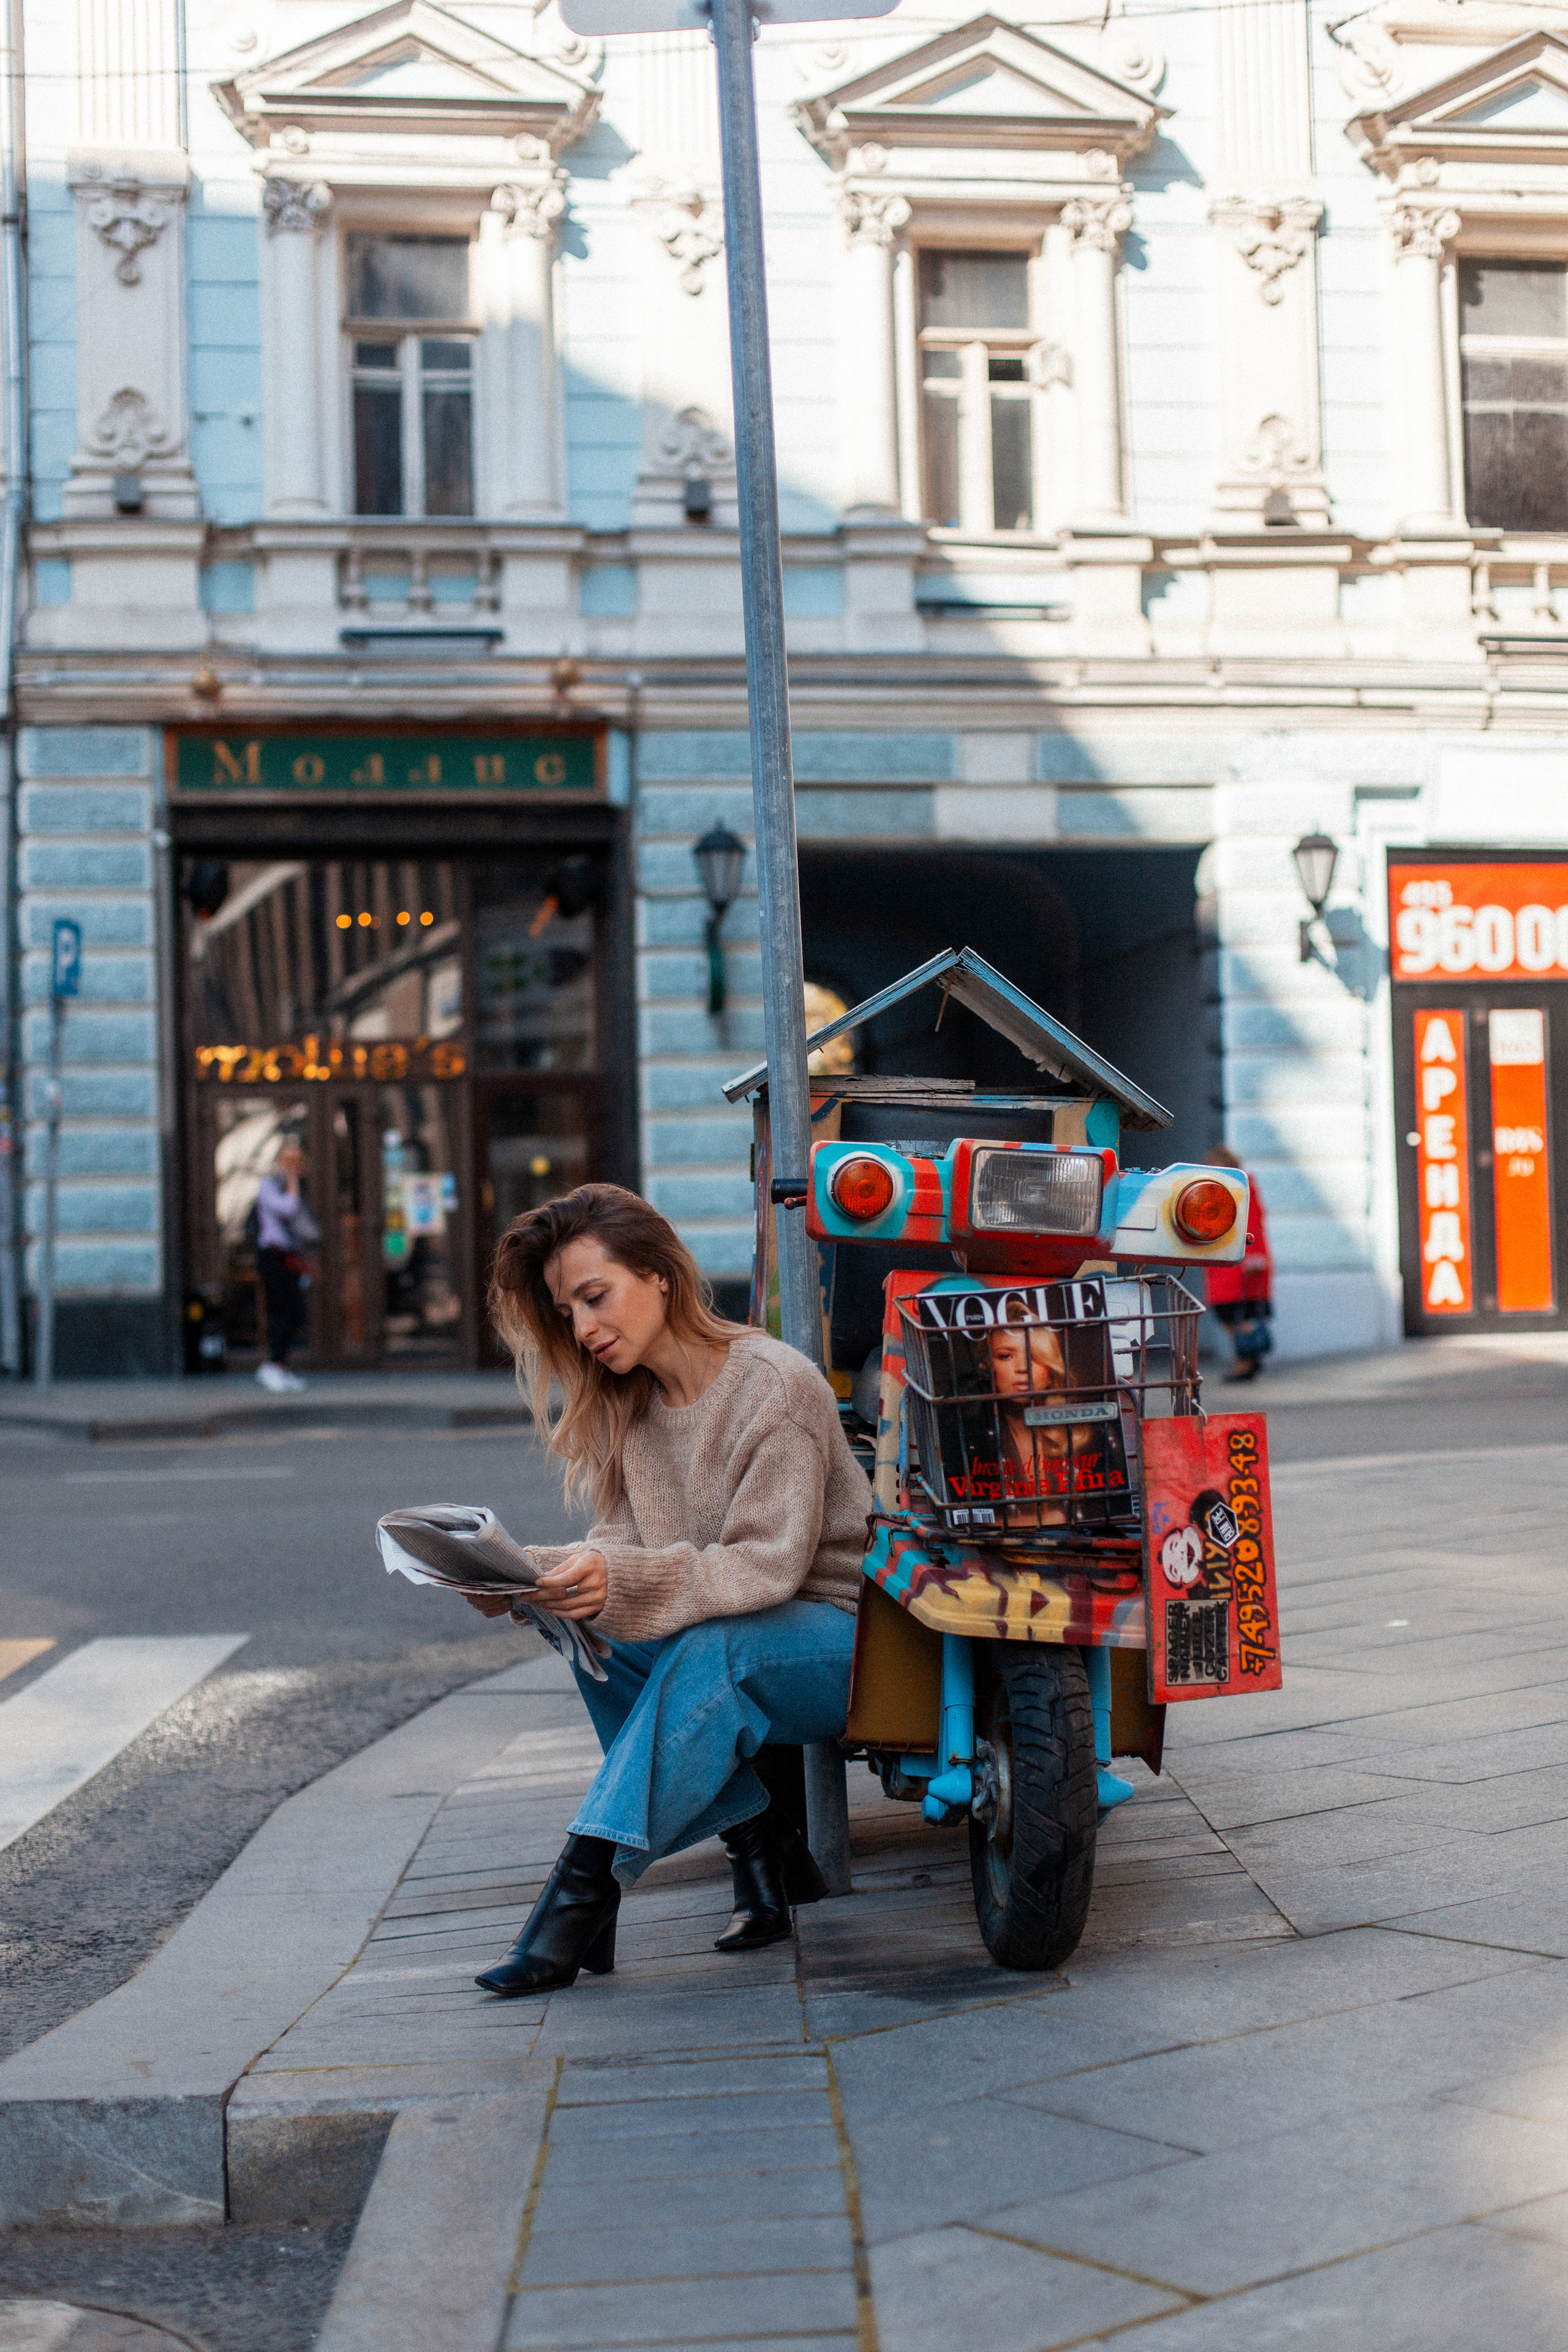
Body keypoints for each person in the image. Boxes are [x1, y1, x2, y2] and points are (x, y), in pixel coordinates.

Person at [466, 1183, 871, 1999]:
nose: (583, 1329)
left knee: (713, 1651)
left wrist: (616, 1576)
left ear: (657, 1274)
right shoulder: (632, 1404)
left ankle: (584, 1896)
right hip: (745, 1635)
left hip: (842, 1640)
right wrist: (528, 1576)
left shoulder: (775, 1386)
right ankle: (765, 1852)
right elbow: (622, 1547)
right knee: (595, 1633)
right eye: (568, 1312)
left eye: (595, 1297)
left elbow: (764, 1567)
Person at [252, 1138, 320, 1394]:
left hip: (287, 1256)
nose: (292, 1166)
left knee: (294, 1311)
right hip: (272, 1254)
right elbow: (288, 1209)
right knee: (287, 1311)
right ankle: (272, 1366)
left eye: (296, 1161)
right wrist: (292, 1182)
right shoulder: (268, 1185)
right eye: (287, 1160)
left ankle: (280, 1366)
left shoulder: (292, 1185)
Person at [1205, 1144, 1272, 1382]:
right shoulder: (1225, 1188)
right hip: (1228, 1263)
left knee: (1238, 1315)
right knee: (1233, 1314)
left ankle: (1245, 1362)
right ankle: (1248, 1360)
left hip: (1241, 1263)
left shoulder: (1242, 1187)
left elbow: (1251, 1224)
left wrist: (1253, 1256)